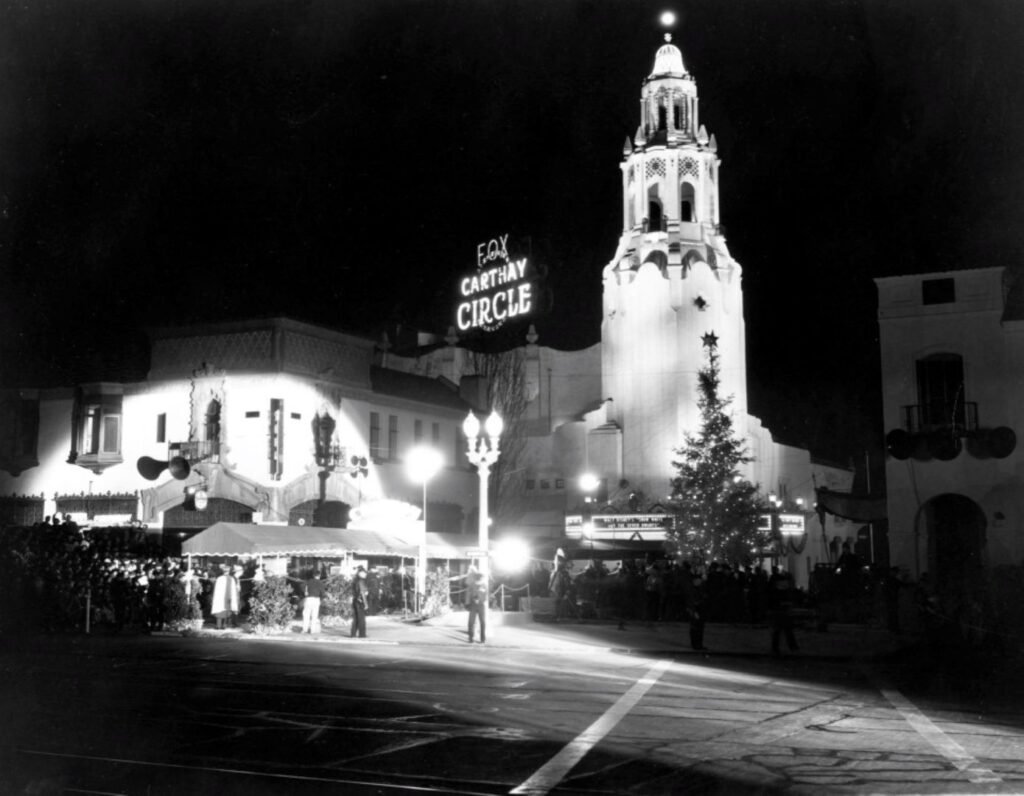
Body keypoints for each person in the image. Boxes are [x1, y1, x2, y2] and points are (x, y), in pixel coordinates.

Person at [767, 565, 799, 655]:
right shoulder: (783, 586)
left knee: (778, 630)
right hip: (782, 608)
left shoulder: (774, 584)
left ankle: (776, 648)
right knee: (786, 629)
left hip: (778, 608)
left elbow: (772, 596)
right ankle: (792, 646)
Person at [292, 569, 325, 634]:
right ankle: (312, 630)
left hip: (308, 599)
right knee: (314, 615)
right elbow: (323, 593)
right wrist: (320, 598)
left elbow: (301, 586)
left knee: (306, 615)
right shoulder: (321, 583)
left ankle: (305, 629)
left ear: (313, 575)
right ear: (319, 575)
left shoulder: (308, 581)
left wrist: (305, 592)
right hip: (316, 599)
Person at [211, 564, 240, 630]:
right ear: (228, 572)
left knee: (221, 610)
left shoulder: (219, 578)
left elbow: (216, 589)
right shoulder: (231, 579)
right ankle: (223, 625)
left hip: (220, 597)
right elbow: (233, 589)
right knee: (225, 611)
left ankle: (219, 625)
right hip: (227, 597)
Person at [465, 564, 487, 643]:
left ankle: (482, 638)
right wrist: (467, 604)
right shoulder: (472, 585)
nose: (480, 579)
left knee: (482, 622)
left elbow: (485, 596)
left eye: (480, 577)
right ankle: (470, 638)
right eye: (478, 577)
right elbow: (468, 594)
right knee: (471, 622)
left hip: (481, 605)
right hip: (473, 605)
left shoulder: (484, 585)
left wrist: (480, 599)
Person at [351, 566, 368, 638]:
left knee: (355, 618)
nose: (365, 574)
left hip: (355, 600)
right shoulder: (361, 581)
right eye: (364, 573)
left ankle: (353, 634)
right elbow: (362, 593)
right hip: (360, 602)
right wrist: (366, 604)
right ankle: (362, 634)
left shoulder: (355, 581)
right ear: (360, 573)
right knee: (361, 619)